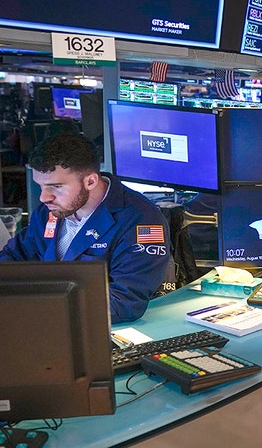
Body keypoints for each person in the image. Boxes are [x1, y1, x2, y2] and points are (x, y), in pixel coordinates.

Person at [0, 131, 171, 323]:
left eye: (56, 186)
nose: (43, 197)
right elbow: (13, 257)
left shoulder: (140, 220)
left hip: (100, 330)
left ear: (90, 181)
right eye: (41, 186)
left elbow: (124, 302)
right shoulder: (52, 209)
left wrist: (39, 310)